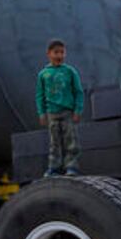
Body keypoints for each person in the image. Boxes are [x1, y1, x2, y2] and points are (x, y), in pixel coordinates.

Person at [35, 38, 84, 177]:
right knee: (54, 142)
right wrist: (41, 113)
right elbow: (39, 95)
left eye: (62, 52)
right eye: (56, 52)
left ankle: (72, 167)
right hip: (52, 113)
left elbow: (78, 92)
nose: (59, 56)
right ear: (49, 54)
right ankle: (54, 167)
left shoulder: (69, 71)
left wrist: (77, 110)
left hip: (67, 111)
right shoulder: (43, 74)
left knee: (71, 140)